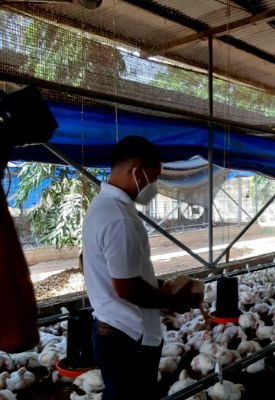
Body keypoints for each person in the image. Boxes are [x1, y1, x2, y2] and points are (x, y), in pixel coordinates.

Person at [82, 135, 199, 400]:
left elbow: (110, 268)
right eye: (153, 178)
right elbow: (127, 288)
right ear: (135, 171)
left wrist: (156, 287)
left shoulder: (102, 206)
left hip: (110, 328)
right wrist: (171, 300)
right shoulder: (120, 218)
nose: (154, 186)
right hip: (128, 337)